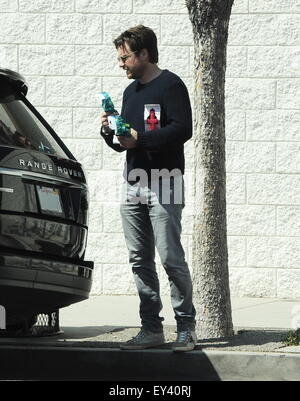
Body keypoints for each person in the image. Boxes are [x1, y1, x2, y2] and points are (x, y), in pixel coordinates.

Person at [100, 25, 196, 352]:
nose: (121, 63)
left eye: (125, 57)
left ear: (143, 54)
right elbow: (126, 144)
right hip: (133, 184)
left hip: (166, 182)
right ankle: (151, 329)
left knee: (170, 257)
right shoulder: (130, 93)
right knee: (139, 259)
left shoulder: (171, 85)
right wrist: (109, 132)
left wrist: (141, 139)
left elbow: (183, 129)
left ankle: (186, 328)